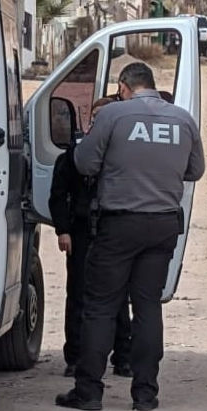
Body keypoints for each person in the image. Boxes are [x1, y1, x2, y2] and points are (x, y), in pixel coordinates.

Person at [56, 62, 205, 411]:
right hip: (163, 225)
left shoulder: (114, 116)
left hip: (119, 225)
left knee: (101, 307)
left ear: (123, 86)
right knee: (148, 307)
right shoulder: (182, 119)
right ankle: (145, 394)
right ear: (152, 84)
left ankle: (89, 391)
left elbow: (84, 163)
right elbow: (194, 171)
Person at [49, 97, 132, 379]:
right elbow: (58, 196)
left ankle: (123, 357)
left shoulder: (123, 156)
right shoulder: (73, 156)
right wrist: (63, 230)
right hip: (82, 231)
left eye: (105, 117)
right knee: (78, 296)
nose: (98, 122)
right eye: (95, 117)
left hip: (114, 230)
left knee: (119, 297)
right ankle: (75, 357)